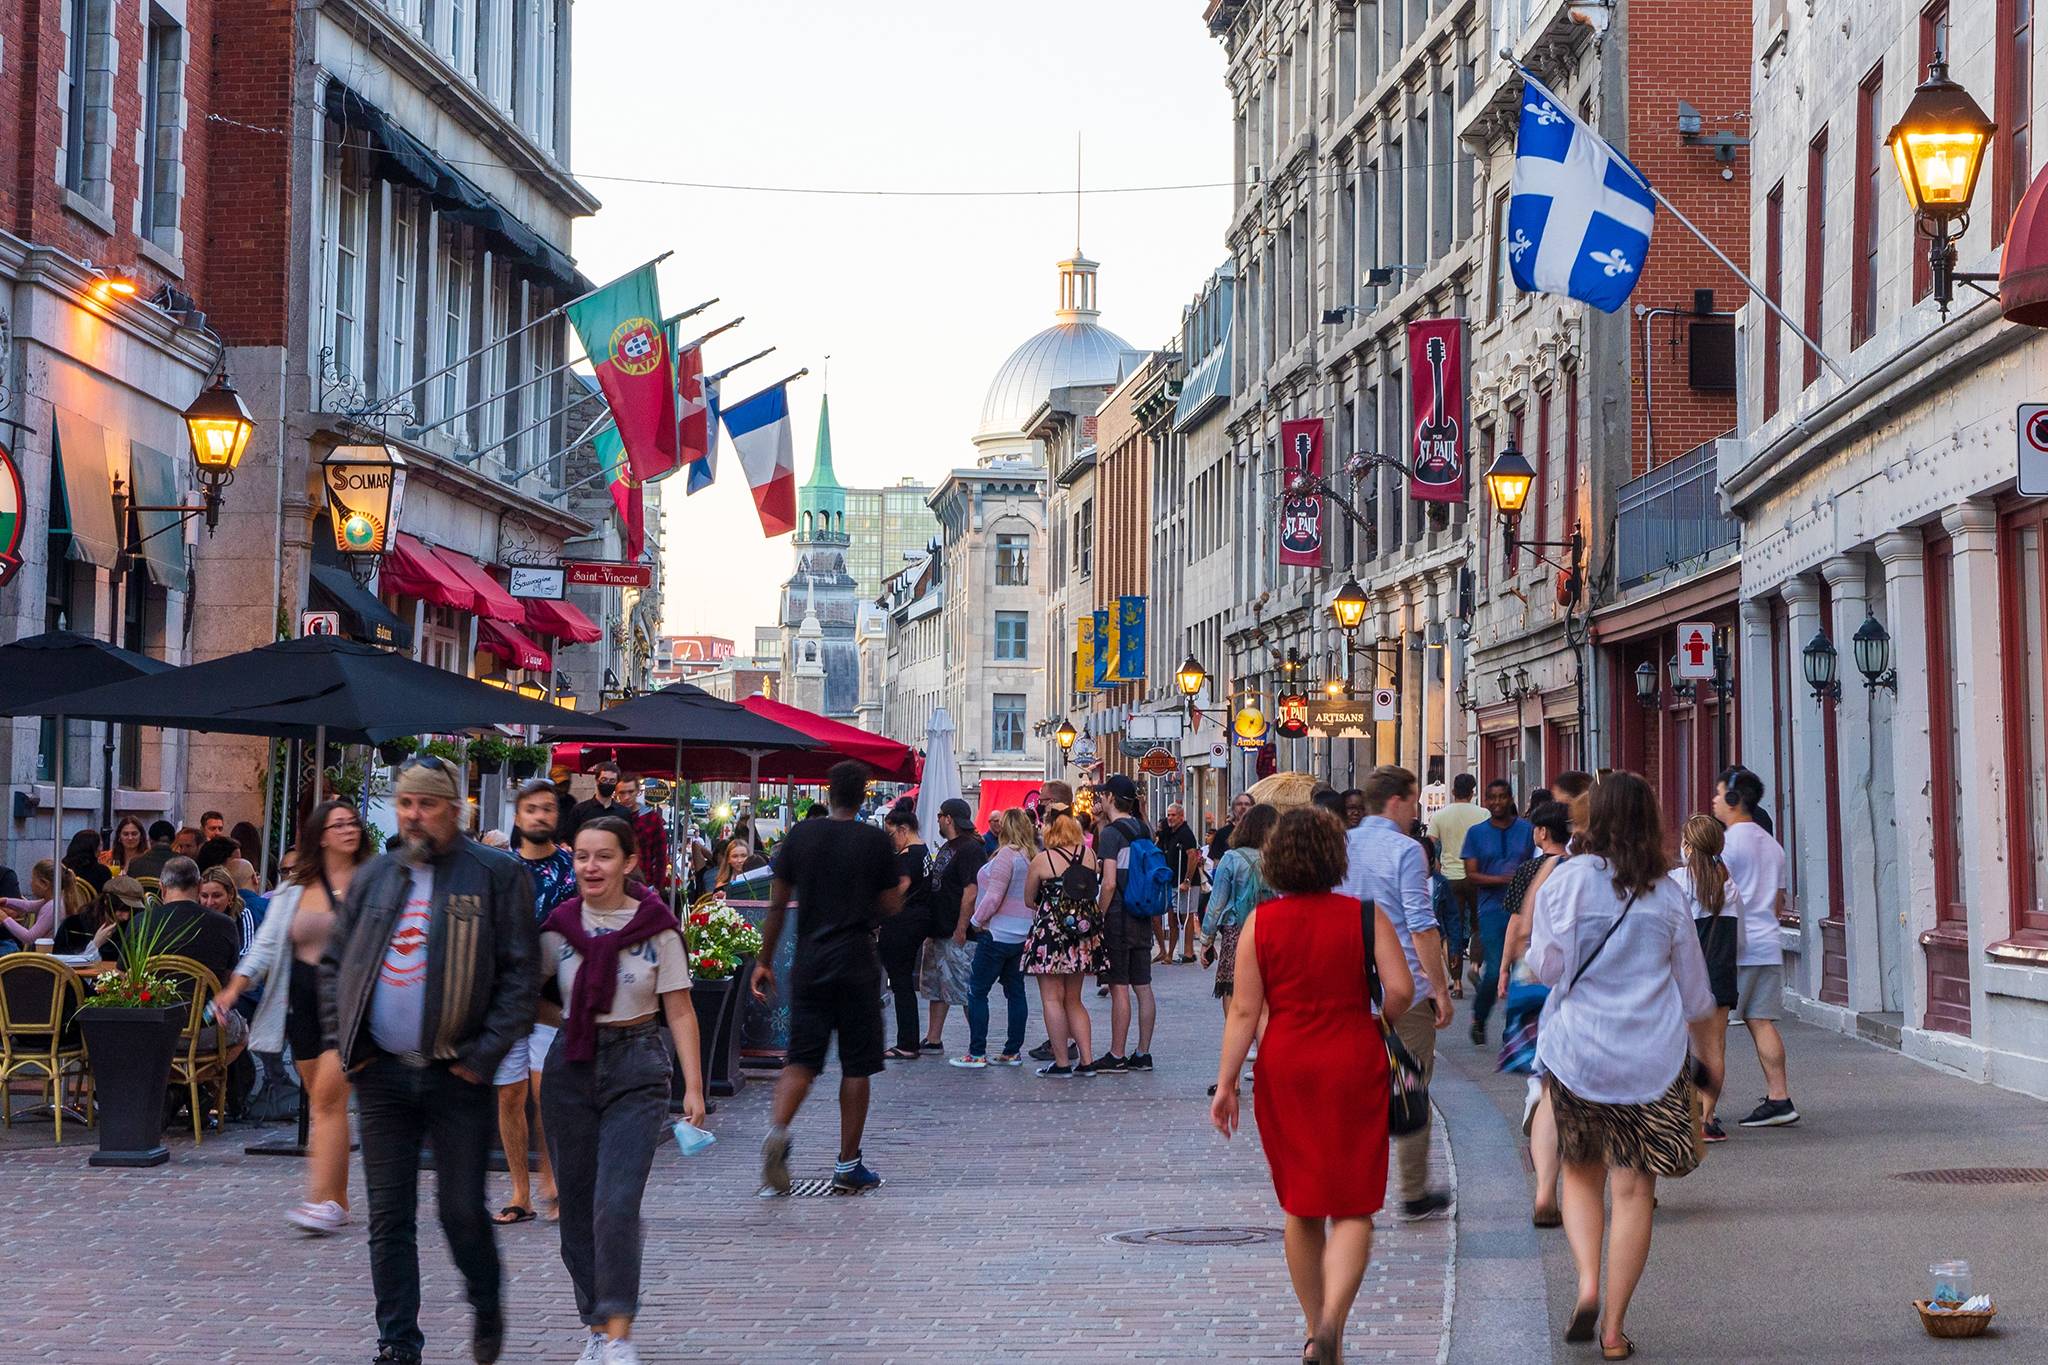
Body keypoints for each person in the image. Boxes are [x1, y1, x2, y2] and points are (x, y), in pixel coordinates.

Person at [319, 756, 538, 1365]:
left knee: (459, 1210)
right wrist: (349, 1047)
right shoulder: (376, 877)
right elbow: (335, 965)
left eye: (428, 804)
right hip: (382, 1073)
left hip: (457, 1074)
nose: (413, 815)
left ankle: (486, 1299)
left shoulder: (495, 875)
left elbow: (521, 977)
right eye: (406, 803)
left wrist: (484, 1056)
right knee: (389, 1216)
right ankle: (397, 1342)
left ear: (455, 809)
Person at [1211, 806, 1414, 1365]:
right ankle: (1332, 1326)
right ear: (1336, 857)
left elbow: (1244, 1012)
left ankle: (1311, 1327)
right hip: (1353, 1058)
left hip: (1287, 1064)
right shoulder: (1364, 916)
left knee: (1301, 1206)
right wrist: (1375, 1024)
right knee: (1353, 1206)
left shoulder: (1262, 924)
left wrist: (1227, 1083)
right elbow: (1399, 989)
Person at [1527, 771, 1719, 1361]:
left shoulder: (1567, 884)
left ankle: (1585, 1281)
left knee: (1580, 1174)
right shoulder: (1667, 894)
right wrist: (1709, 1061)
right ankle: (1613, 1328)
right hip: (1651, 1063)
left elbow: (1545, 969)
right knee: (1633, 1192)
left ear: (1592, 820)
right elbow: (1695, 994)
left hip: (1577, 1052)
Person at [540, 816, 705, 1365]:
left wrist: (695, 1089)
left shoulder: (656, 927)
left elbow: (679, 1008)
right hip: (571, 1066)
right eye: (583, 855)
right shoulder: (560, 928)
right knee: (577, 1208)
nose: (591, 866)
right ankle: (594, 1321)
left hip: (637, 1065)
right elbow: (524, 994)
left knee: (616, 1203)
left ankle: (618, 1333)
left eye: (604, 856)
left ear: (629, 862)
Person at [212, 800, 370, 1235]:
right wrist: (233, 989)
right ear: (320, 835)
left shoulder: (372, 883)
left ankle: (318, 1200)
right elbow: (263, 946)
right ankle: (337, 1199)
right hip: (301, 1007)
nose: (347, 830)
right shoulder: (295, 890)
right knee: (323, 1105)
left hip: (351, 1008)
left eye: (352, 823)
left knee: (327, 1100)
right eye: (338, 824)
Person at [752, 761, 903, 1195]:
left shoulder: (802, 836)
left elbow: (778, 904)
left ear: (829, 792)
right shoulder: (874, 840)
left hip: (811, 959)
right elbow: (891, 905)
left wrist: (764, 960)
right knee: (857, 1064)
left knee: (801, 1058)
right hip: (856, 958)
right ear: (862, 795)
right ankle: (847, 1164)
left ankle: (778, 1132)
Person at [1342, 766, 1456, 1222]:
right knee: (1409, 1085)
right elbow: (1421, 924)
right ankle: (1411, 1190)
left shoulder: (1340, 845)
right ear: (1396, 801)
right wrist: (1440, 989)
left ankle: (1352, 1185)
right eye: (1413, 802)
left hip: (1350, 986)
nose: (1416, 812)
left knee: (1354, 1091)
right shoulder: (1407, 851)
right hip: (1402, 987)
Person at [494, 779, 579, 1227]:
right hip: (508, 995)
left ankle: (556, 1181)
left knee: (549, 1094)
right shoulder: (501, 869)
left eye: (547, 808)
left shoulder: (571, 868)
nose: (540, 816)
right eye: (532, 809)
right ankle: (520, 1190)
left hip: (553, 997)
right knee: (510, 1095)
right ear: (518, 816)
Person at [1497, 799, 1574, 1226]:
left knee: (1544, 1079)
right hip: (1578, 977)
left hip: (1534, 972)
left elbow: (1518, 925)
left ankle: (1545, 1186)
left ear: (1543, 833)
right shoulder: (1592, 870)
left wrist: (1506, 968)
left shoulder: (1533, 870)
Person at [1713, 766, 1798, 1128]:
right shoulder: (1773, 846)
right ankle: (1780, 1097)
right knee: (1761, 1021)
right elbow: (1778, 902)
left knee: (1711, 1032)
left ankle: (1706, 1112)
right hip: (1767, 944)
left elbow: (1713, 895)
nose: (1715, 801)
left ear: (1733, 800)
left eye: (1718, 795)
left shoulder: (1727, 845)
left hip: (1735, 947)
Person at [1670, 813, 1741, 1144]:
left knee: (1684, 1047)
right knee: (1715, 1048)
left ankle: (1686, 1112)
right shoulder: (1728, 884)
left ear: (1687, 845)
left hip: (1688, 976)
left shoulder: (1677, 882)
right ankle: (1708, 1119)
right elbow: (1740, 939)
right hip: (1722, 973)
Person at [1021, 813, 1105, 1077]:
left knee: (1051, 998)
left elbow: (1028, 899)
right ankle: (1087, 1061)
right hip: (1081, 935)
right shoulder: (1089, 855)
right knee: (1074, 999)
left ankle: (1061, 1062)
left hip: (1051, 935)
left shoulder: (1041, 860)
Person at [952, 808, 1037, 1068]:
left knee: (977, 991)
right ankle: (1013, 1050)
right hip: (1021, 933)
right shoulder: (1030, 856)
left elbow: (993, 896)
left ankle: (977, 1052)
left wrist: (975, 922)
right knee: (1015, 992)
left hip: (996, 933)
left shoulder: (1006, 856)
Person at [1093, 774, 1159, 1073]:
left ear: (1109, 798)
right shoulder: (1144, 828)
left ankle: (1117, 1053)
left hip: (1119, 914)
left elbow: (1108, 883)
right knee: (1143, 986)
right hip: (1142, 911)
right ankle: (1143, 1052)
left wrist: (1097, 915)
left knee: (1119, 986)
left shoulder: (1111, 833)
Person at [1463, 780, 1535, 1047]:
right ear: (1485, 800)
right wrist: (1502, 879)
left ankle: (1511, 1028)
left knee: (1520, 968)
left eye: (1502, 797)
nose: (1496, 802)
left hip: (1524, 909)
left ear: (1510, 798)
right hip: (1492, 909)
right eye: (1491, 797)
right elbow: (1470, 874)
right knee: (1494, 968)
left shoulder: (1527, 831)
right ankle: (1479, 1017)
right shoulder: (1476, 833)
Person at [1200, 801, 1278, 1011]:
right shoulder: (1278, 858)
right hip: (1271, 929)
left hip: (1236, 930)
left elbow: (1217, 902)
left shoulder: (1232, 858)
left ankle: (1237, 1034)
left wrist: (1206, 939)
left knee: (1231, 985)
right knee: (1266, 986)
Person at [918, 799, 983, 1051]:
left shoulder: (970, 849)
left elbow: (971, 891)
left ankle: (978, 1041)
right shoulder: (949, 846)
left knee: (966, 988)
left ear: (949, 818)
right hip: (939, 928)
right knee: (936, 987)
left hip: (957, 932)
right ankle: (933, 1037)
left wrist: (961, 927)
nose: (937, 820)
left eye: (939, 816)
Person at [878, 806, 932, 1060]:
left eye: (891, 835)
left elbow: (902, 884)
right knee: (902, 983)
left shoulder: (908, 855)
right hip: (917, 921)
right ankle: (908, 1040)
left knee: (900, 983)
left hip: (902, 923)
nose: (891, 841)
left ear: (903, 829)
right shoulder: (924, 852)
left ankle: (907, 1042)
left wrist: (880, 910)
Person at [1426, 775, 1486, 988]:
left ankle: (1457, 981)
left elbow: (1430, 844)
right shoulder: (1483, 814)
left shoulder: (1440, 816)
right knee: (1479, 925)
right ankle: (1476, 967)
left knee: (1453, 928)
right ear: (1473, 792)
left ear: (1452, 791)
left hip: (1450, 879)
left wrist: (1437, 869)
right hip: (1476, 876)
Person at [1152, 802, 1202, 965]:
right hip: (1171, 881)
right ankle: (1170, 953)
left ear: (1181, 816)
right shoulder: (1169, 833)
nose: (1170, 818)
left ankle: (1188, 951)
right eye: (1169, 815)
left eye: (1173, 815)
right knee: (1172, 916)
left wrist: (1187, 880)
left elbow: (1192, 856)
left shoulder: (1186, 833)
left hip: (1186, 882)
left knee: (1185, 915)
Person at [55, 875, 149, 959]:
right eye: (122, 909)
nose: (126, 917)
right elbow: (63, 964)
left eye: (132, 911)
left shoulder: (136, 926)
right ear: (106, 901)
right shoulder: (74, 927)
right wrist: (96, 944)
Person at [199, 864, 257, 956]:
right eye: (204, 896)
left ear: (230, 895)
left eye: (216, 896)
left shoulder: (242, 915)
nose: (209, 902)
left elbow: (247, 952)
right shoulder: (196, 917)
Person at [564, 762, 628, 841]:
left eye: (612, 781)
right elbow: (567, 839)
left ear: (616, 783)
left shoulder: (624, 813)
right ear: (597, 780)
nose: (607, 783)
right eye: (604, 779)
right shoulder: (579, 810)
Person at [63, 830, 112, 895]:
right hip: (92, 905)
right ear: (95, 849)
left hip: (65, 904)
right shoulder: (102, 872)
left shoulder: (62, 868)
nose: (101, 850)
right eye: (100, 845)